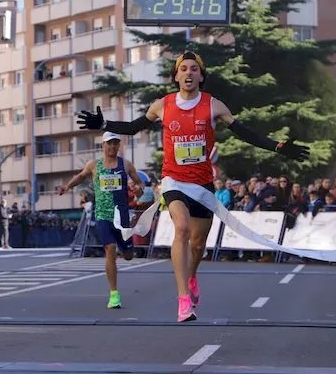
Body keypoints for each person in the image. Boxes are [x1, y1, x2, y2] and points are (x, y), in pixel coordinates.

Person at [77, 51, 309, 322]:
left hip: (202, 184)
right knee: (182, 229)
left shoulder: (213, 105)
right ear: (176, 76)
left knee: (198, 245)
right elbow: (132, 127)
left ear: (201, 75)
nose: (188, 73)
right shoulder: (163, 105)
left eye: (193, 69)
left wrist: (279, 147)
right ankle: (183, 299)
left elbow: (245, 133)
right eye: (183, 69)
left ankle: (193, 275)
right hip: (174, 180)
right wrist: (104, 124)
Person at [57, 131, 145, 309]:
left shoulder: (126, 165)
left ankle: (126, 248)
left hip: (121, 216)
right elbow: (81, 176)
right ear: (103, 146)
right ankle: (114, 295)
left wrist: (139, 190)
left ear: (118, 146)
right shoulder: (94, 165)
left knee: (128, 256)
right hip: (103, 214)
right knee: (110, 249)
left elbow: (139, 184)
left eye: (115, 143)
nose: (112, 147)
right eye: (109, 143)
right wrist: (67, 186)